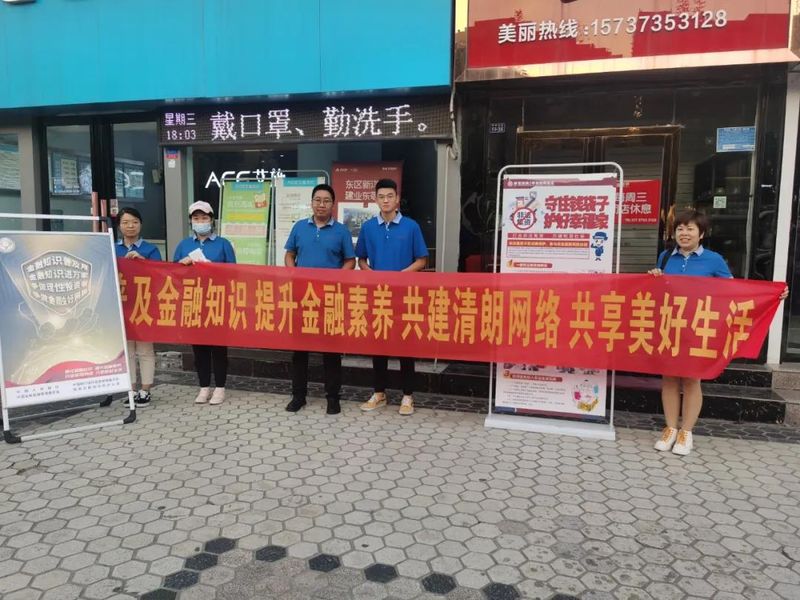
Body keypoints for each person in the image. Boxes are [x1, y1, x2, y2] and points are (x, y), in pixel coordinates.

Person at [649, 208, 787, 455]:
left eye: (690, 228)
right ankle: (670, 428)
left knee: (691, 379)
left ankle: (686, 432)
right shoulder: (666, 257)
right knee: (669, 378)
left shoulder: (714, 260)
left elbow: (735, 291)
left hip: (699, 329)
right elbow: (656, 292)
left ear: (701, 234)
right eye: (680, 228)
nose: (684, 233)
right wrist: (654, 277)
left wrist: (772, 293)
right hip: (670, 327)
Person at [355, 178, 428, 416]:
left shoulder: (411, 226)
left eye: (390, 196)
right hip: (378, 296)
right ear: (375, 200)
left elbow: (422, 260)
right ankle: (379, 393)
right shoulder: (368, 227)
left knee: (406, 345)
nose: (385, 200)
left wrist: (400, 277)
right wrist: (370, 273)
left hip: (405, 296)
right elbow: (361, 259)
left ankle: (408, 395)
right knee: (379, 345)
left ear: (397, 199)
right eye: (381, 197)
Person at [284, 183, 355, 415]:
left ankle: (333, 398)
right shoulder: (299, 227)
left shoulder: (341, 231)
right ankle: (298, 396)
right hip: (303, 298)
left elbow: (350, 261)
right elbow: (290, 254)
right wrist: (293, 273)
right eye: (317, 200)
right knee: (299, 350)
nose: (321, 204)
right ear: (312, 202)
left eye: (326, 201)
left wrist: (335, 280)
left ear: (333, 204)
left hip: (331, 299)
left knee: (331, 351)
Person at [173, 201, 236, 406]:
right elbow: (173, 275)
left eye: (205, 218)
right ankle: (203, 386)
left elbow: (234, 273)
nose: (201, 222)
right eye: (196, 218)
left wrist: (213, 268)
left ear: (212, 220)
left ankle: (220, 387)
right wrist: (182, 265)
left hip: (218, 302)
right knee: (199, 348)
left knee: (218, 347)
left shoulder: (223, 244)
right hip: (194, 302)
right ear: (191, 221)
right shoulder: (184, 245)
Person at [115, 207, 162, 407]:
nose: (130, 226)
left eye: (134, 222)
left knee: (144, 349)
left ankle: (146, 390)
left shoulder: (151, 249)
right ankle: (131, 390)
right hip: (121, 306)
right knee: (127, 351)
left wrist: (143, 263)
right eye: (125, 222)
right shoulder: (113, 248)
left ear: (140, 225)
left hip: (144, 305)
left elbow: (161, 275)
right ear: (119, 226)